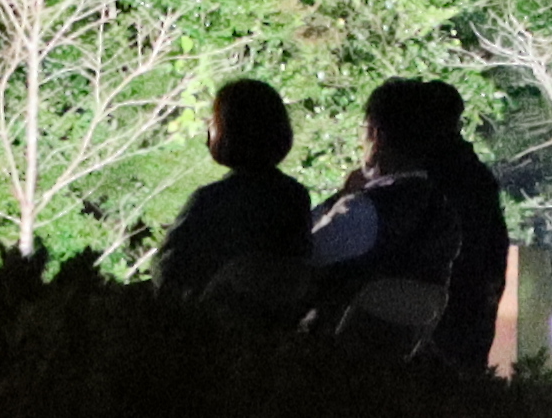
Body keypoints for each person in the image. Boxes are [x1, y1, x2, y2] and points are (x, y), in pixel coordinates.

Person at [304, 78, 508, 370]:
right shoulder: (447, 209)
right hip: (415, 369)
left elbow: (300, 254)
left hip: (331, 367)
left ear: (378, 135)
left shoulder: (364, 210)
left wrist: (339, 198)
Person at [151, 81, 314, 321]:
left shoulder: (210, 200)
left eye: (214, 121)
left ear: (227, 131)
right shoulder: (295, 196)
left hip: (216, 328)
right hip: (275, 327)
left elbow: (168, 271)